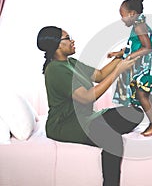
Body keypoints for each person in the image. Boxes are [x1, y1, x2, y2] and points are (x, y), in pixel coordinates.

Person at [37, 26, 144, 186]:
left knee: (135, 113)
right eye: (68, 38)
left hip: (87, 117)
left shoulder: (70, 62)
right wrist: (117, 72)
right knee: (112, 139)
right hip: (66, 125)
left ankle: (100, 128)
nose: (72, 40)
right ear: (58, 45)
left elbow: (99, 75)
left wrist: (119, 57)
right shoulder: (55, 70)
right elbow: (86, 98)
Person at [108, 0, 152, 136]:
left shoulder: (139, 26)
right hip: (147, 66)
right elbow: (135, 46)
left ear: (132, 14)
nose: (121, 19)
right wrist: (119, 53)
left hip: (150, 67)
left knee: (141, 93)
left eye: (123, 15)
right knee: (140, 93)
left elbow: (147, 47)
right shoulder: (138, 25)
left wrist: (129, 57)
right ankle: (136, 120)